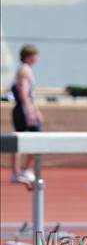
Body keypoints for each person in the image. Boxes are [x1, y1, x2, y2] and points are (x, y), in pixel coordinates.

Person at [10, 44, 43, 184]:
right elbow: (24, 94)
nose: (37, 58)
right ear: (29, 56)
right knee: (25, 139)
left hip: (23, 108)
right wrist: (31, 112)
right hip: (23, 110)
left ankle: (22, 171)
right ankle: (18, 171)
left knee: (25, 139)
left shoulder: (25, 69)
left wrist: (36, 110)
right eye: (35, 55)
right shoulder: (25, 70)